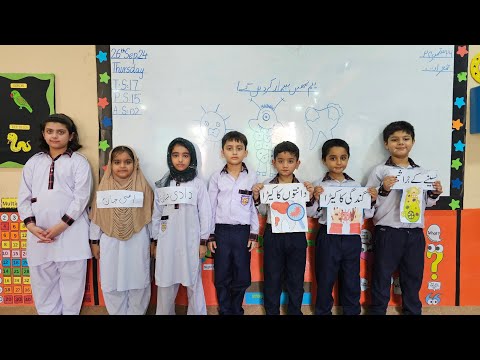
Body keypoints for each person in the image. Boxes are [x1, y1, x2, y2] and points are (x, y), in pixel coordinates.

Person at [17, 113, 93, 315]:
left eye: (60, 132)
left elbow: (81, 198)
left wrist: (60, 227)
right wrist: (32, 227)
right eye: (49, 131)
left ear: (71, 136)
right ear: (43, 134)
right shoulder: (33, 162)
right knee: (43, 291)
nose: (54, 136)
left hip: (71, 236)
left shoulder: (79, 162)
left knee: (72, 292)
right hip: (39, 238)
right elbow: (23, 198)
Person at [365, 121, 442, 315]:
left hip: (415, 232)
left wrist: (434, 193)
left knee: (413, 277)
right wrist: (383, 189)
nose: (400, 143)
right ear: (386, 144)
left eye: (405, 139)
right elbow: (368, 202)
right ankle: (377, 311)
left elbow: (427, 203)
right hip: (388, 231)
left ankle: (412, 311)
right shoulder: (380, 171)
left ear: (413, 142)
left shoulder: (421, 173)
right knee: (381, 276)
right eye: (395, 140)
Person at [308, 138, 377, 315]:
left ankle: (352, 311)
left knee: (351, 279)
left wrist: (372, 199)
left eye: (343, 158)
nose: (338, 162)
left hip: (351, 236)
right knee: (325, 278)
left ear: (348, 159)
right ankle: (323, 311)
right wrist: (314, 198)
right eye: (333, 158)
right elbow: (313, 214)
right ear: (324, 160)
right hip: (328, 235)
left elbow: (367, 214)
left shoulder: (356, 186)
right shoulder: (318, 185)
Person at [89, 145, 154, 315]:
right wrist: (94, 241)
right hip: (110, 242)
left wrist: (155, 241)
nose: (122, 166)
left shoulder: (143, 187)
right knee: (112, 282)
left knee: (138, 281)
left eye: (128, 162)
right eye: (117, 162)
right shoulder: (104, 188)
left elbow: (150, 217)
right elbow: (98, 218)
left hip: (138, 240)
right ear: (110, 164)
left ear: (135, 164)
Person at [252, 141, 314, 315]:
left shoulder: (303, 186)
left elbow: (309, 212)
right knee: (272, 277)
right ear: (274, 162)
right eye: (280, 161)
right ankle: (272, 311)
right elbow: (264, 211)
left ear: (297, 163)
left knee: (296, 277)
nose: (285, 165)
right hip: (273, 234)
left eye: (290, 161)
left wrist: (309, 196)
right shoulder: (267, 185)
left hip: (296, 235)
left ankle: (295, 311)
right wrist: (257, 196)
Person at [152, 138, 211, 315]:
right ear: (170, 157)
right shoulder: (163, 184)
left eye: (185, 156)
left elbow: (205, 213)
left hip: (190, 241)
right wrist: (155, 240)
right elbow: (156, 214)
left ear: (191, 158)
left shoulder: (198, 184)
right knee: (165, 281)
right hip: (166, 241)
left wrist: (203, 241)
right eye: (176, 155)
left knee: (193, 281)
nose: (180, 160)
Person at [208, 131, 259, 315]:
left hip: (242, 233)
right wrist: (210, 234)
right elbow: (211, 208)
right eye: (230, 148)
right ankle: (225, 309)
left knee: (242, 274)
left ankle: (236, 308)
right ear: (223, 152)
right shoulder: (216, 177)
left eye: (239, 148)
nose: (234, 152)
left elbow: (253, 207)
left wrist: (254, 234)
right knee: (222, 274)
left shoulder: (252, 177)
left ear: (246, 152)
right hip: (221, 232)